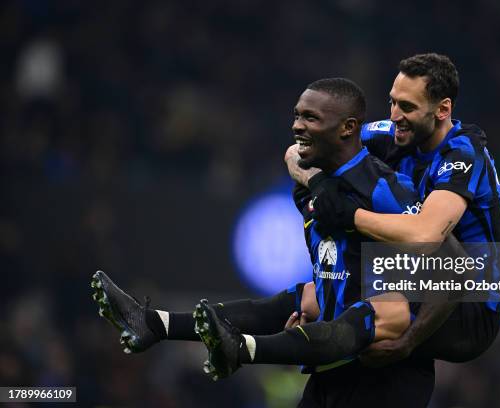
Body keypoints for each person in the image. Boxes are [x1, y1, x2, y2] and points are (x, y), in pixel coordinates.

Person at [93, 78, 449, 407]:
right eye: (297, 116)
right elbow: (298, 167)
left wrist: (410, 336)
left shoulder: (385, 188)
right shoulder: (307, 187)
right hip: (331, 367)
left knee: (340, 304)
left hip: (385, 376)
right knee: (297, 297)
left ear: (347, 128)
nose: (297, 126)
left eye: (310, 118)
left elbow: (445, 260)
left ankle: (240, 349)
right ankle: (154, 324)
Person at [286, 53, 500, 365]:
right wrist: (321, 185)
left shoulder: (462, 155)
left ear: (443, 109)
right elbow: (298, 151)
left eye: (407, 107)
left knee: (339, 309)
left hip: (468, 306)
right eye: (392, 102)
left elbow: (425, 236)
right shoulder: (389, 133)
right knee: (308, 297)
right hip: (418, 273)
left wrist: (349, 216)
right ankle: (244, 343)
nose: (394, 115)